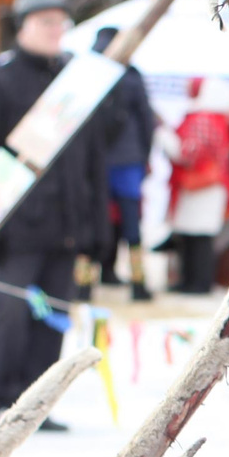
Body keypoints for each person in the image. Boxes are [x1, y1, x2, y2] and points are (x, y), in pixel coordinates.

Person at [0, 0, 110, 432]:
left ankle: (35, 403)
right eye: (45, 22)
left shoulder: (75, 80)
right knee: (9, 315)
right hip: (16, 227)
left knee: (54, 319)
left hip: (66, 224)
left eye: (60, 22)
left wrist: (97, 224)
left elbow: (92, 158)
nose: (54, 31)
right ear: (23, 27)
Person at [94, 44, 159, 300]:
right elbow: (146, 120)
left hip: (97, 161)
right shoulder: (132, 76)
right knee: (132, 224)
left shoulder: (90, 72)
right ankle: (138, 284)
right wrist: (145, 156)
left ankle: (84, 285)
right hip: (129, 160)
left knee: (94, 219)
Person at [161, 76, 229, 292]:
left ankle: (197, 283)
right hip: (205, 188)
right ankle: (192, 281)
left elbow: (187, 152)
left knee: (198, 238)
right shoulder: (214, 118)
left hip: (201, 188)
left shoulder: (202, 119)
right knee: (195, 237)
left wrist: (165, 138)